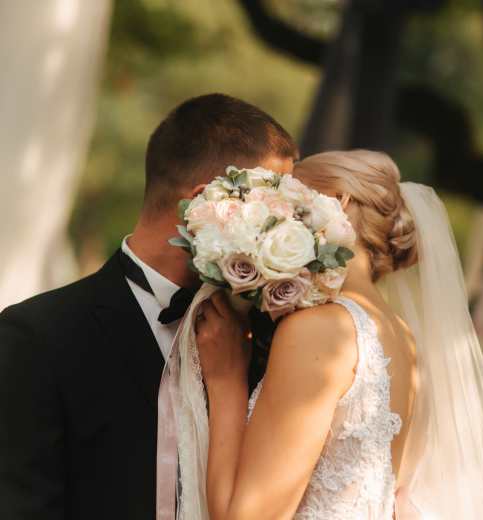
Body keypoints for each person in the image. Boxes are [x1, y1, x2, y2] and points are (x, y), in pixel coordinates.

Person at [0, 93, 297, 520]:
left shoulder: (269, 339)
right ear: (205, 206)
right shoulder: (39, 336)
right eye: (272, 209)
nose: (283, 227)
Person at [195, 150, 483, 519]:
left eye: (286, 202)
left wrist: (226, 382)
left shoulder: (323, 331)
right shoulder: (400, 335)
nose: (269, 221)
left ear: (337, 203)